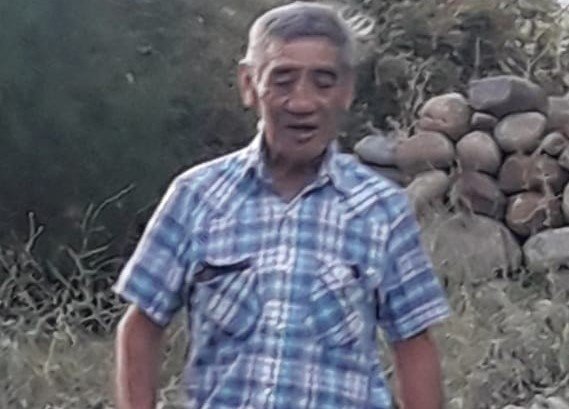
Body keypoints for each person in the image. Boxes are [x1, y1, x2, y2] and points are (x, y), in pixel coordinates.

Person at [113, 2, 451, 408]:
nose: (302, 102)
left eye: (323, 82)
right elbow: (140, 328)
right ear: (249, 84)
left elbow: (414, 344)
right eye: (283, 80)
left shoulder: (382, 210)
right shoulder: (197, 196)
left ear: (346, 90)